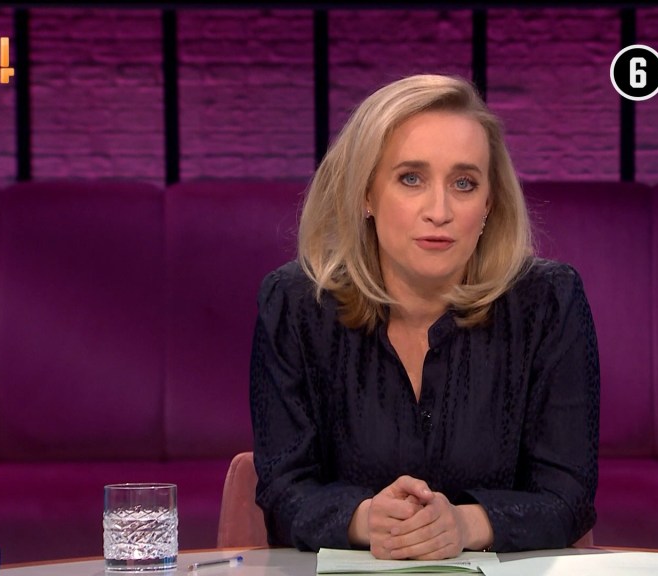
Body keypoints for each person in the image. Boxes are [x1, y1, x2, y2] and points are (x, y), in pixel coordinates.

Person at [249, 74, 599, 560]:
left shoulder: (548, 302)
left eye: (464, 183)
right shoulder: (296, 303)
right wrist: (368, 520)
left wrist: (462, 524)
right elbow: (283, 491)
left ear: (489, 202)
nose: (440, 210)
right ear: (366, 194)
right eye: (411, 178)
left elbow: (568, 497)